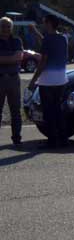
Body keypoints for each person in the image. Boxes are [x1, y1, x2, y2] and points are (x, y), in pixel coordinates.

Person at [30, 15, 69, 148]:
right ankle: (63, 138)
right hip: (61, 80)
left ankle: (52, 140)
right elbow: (49, 44)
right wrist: (36, 33)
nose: (43, 25)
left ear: (49, 23)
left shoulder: (48, 40)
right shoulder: (63, 38)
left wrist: (33, 81)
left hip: (47, 81)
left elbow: (43, 62)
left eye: (44, 22)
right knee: (57, 109)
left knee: (48, 111)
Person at [0, 17, 24, 145]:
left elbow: (19, 57)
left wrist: (4, 58)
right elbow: (14, 58)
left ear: (11, 28)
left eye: (8, 26)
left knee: (15, 111)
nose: (5, 29)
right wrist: (11, 58)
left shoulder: (16, 41)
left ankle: (17, 138)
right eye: (3, 26)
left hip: (14, 79)